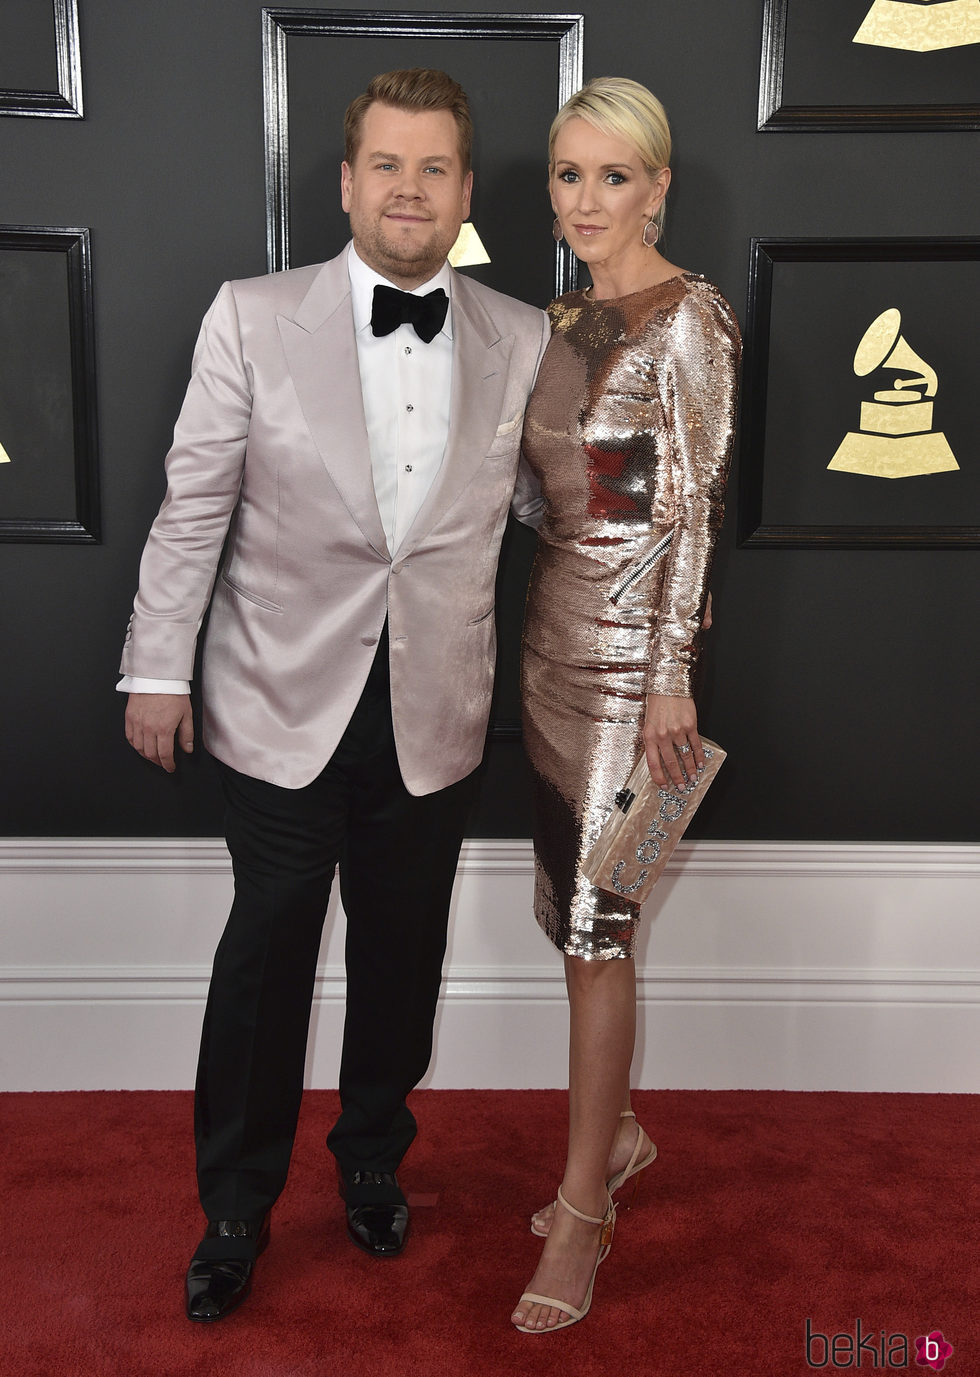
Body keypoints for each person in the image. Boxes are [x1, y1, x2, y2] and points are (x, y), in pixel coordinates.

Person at [119, 67, 549, 1323]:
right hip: (273, 697)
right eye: (386, 165)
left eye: (433, 169)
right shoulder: (251, 317)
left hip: (436, 710)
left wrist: (637, 489)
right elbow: (192, 504)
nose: (408, 189)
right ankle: (236, 1209)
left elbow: (554, 504)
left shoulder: (520, 336)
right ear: (347, 179)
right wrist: (157, 665)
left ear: (463, 191)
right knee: (267, 955)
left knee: (401, 956)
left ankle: (370, 1161)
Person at [511, 77, 740, 1333]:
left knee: (603, 927)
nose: (586, 200)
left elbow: (686, 509)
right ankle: (623, 1138)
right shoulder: (555, 318)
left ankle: (583, 1209)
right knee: (568, 920)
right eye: (567, 175)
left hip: (638, 683)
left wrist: (668, 675)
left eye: (612, 176)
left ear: (656, 187)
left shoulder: (686, 318)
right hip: (547, 649)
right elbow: (575, 498)